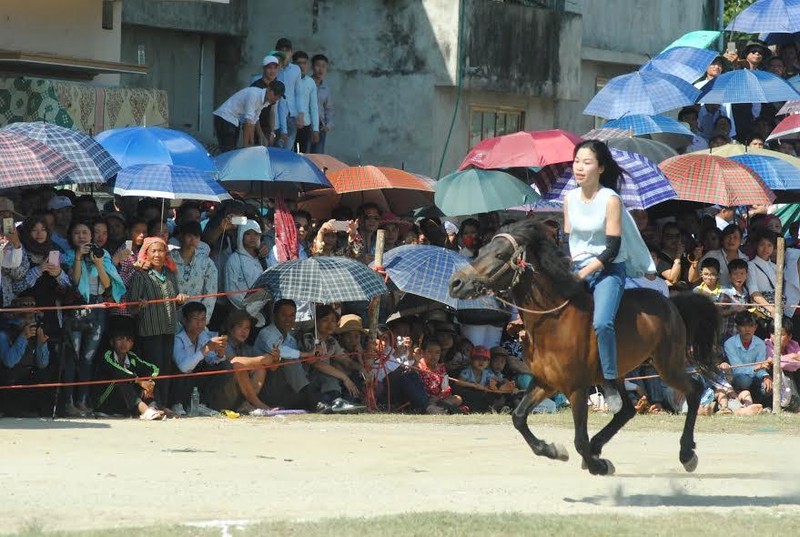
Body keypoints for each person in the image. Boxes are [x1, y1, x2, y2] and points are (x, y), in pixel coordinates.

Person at [564, 140, 653, 414]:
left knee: (602, 323)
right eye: (577, 161)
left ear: (601, 168)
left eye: (587, 162)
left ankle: (611, 382)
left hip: (609, 269)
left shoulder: (610, 199)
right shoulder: (568, 199)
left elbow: (612, 249)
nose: (579, 167)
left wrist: (584, 273)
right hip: (578, 267)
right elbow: (568, 240)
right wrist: (565, 270)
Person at [62, 220, 125, 417]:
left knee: (88, 358)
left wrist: (97, 262)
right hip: (77, 307)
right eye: (77, 233)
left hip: (98, 308)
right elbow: (75, 280)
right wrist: (80, 257)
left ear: (91, 236)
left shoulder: (103, 255)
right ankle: (68, 402)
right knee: (74, 356)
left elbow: (108, 284)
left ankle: (82, 400)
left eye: (85, 233)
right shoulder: (69, 255)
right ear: (71, 237)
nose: (82, 236)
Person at [126, 237, 188, 408]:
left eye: (161, 251)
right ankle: (152, 403)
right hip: (149, 329)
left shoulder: (169, 274)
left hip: (168, 328)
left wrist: (180, 300)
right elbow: (131, 306)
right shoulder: (141, 275)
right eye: (153, 251)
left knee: (166, 368)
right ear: (146, 253)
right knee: (153, 369)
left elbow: (174, 303)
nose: (157, 254)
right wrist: (139, 305)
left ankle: (164, 404)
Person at [254, 299, 327, 412]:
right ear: (274, 315)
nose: (288, 319)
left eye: (292, 315)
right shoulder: (266, 333)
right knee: (288, 361)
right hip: (265, 386)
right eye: (284, 315)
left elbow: (298, 366)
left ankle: (323, 398)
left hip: (286, 387)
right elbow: (282, 351)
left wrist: (310, 358)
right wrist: (306, 354)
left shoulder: (291, 339)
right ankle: (314, 400)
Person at [94, 316, 165, 420]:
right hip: (105, 403)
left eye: (128, 340)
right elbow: (117, 372)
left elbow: (153, 369)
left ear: (132, 343)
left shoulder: (132, 357)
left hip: (124, 403)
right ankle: (146, 410)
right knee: (123, 382)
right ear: (112, 342)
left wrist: (149, 382)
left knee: (149, 385)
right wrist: (138, 381)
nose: (124, 343)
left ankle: (153, 409)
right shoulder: (107, 355)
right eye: (120, 339)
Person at [171, 301, 231, 416]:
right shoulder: (178, 339)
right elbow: (183, 367)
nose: (199, 324)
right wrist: (205, 349)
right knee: (181, 368)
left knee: (225, 366)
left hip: (194, 382)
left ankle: (201, 404)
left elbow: (210, 360)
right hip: (179, 383)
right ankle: (177, 404)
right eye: (195, 319)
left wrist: (219, 354)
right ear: (184, 321)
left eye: (203, 319)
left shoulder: (203, 335)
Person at [0, 296, 51, 417]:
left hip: (29, 379)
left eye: (32, 304)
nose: (29, 307)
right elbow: (9, 362)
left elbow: (43, 363)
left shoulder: (37, 328)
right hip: (9, 381)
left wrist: (41, 344)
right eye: (25, 304)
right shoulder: (4, 333)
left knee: (44, 375)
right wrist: (22, 337)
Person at [170, 221, 218, 324]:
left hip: (197, 318)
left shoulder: (206, 263)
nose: (193, 240)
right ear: (181, 236)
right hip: (172, 317)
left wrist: (202, 321)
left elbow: (211, 294)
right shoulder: (169, 259)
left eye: (196, 236)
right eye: (189, 236)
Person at [722, 311, 772, 407]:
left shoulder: (760, 343)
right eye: (744, 326)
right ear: (737, 327)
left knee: (768, 386)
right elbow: (737, 368)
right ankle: (739, 399)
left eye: (751, 326)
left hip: (755, 379)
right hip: (737, 379)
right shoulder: (729, 343)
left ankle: (755, 403)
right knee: (745, 380)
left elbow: (761, 368)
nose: (747, 329)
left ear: (755, 327)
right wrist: (755, 368)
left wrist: (765, 376)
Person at [224, 219, 266, 324]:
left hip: (262, 312)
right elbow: (230, 290)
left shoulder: (261, 260)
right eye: (248, 233)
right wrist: (248, 307)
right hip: (240, 314)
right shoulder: (233, 259)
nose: (252, 237)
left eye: (256, 234)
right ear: (240, 235)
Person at [416, 337, 462, 414]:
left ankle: (440, 406)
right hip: (426, 397)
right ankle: (437, 408)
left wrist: (439, 397)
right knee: (428, 401)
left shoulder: (441, 368)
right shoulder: (419, 366)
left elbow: (445, 387)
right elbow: (417, 386)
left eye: (437, 353)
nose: (433, 355)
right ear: (423, 352)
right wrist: (430, 397)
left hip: (440, 398)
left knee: (458, 399)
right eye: (430, 352)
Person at [275, 38, 302, 151]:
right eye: (282, 50)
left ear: (291, 53)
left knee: (288, 149)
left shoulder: (296, 69)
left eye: (287, 50)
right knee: (276, 147)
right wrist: (279, 66)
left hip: (291, 114)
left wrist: (301, 113)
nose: (285, 53)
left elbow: (298, 93)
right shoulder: (273, 68)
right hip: (275, 114)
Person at [292, 51, 320, 153]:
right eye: (298, 63)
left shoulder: (310, 82)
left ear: (307, 65)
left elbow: (313, 107)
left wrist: (315, 129)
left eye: (304, 63)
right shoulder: (289, 80)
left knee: (302, 154)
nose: (301, 66)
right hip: (290, 123)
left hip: (305, 124)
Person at [311, 53, 333, 154]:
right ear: (312, 67)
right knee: (306, 154)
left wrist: (328, 125)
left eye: (323, 66)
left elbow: (328, 108)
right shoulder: (307, 83)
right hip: (308, 125)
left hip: (321, 126)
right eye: (318, 65)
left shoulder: (326, 88)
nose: (320, 69)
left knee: (319, 157)